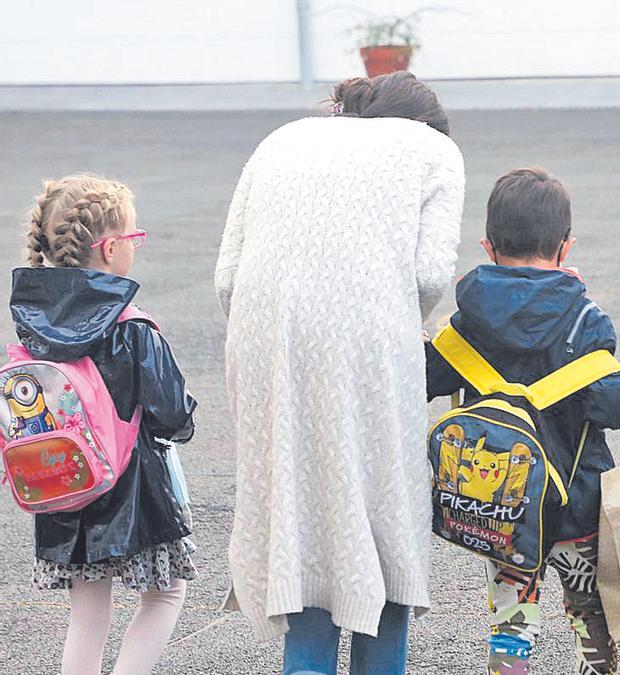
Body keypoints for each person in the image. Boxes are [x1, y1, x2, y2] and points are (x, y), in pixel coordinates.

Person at [214, 71, 465, 674]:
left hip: (265, 338)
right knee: (383, 506)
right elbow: (431, 275)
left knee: (297, 504)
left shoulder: (283, 138)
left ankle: (305, 663)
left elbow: (227, 276)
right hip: (369, 343)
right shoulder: (434, 151)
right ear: (425, 122)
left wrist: (278, 330)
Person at [425, 168, 620, 675]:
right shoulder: (584, 320)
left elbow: (424, 376)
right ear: (565, 247)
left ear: (488, 245)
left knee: (510, 618)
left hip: (499, 504)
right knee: (589, 612)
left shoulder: (466, 322)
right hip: (576, 504)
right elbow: (617, 404)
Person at [12, 174, 198, 675]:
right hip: (135, 489)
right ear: (111, 248)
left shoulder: (32, 327)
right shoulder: (133, 326)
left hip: (63, 484)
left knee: (87, 615)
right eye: (134, 238)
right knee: (164, 596)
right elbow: (172, 416)